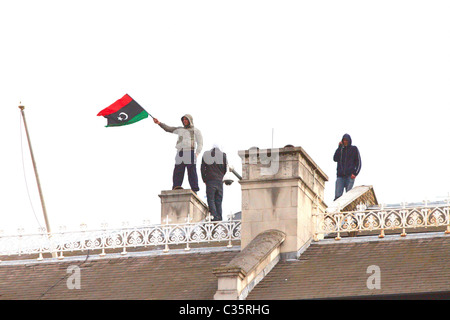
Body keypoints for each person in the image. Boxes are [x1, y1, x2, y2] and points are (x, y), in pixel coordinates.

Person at [153, 114, 203, 193]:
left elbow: (200, 143)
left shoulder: (196, 131)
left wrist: (197, 153)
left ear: (190, 120)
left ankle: (194, 189)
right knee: (178, 170)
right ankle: (176, 186)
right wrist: (159, 123)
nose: (184, 121)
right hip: (180, 152)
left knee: (191, 171)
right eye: (183, 120)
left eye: (186, 119)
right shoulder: (180, 129)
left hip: (190, 151)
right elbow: (168, 129)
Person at [201, 145, 227, 221]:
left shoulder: (206, 154)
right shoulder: (223, 155)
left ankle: (214, 217)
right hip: (219, 181)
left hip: (210, 180)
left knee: (211, 199)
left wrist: (204, 179)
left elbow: (202, 168)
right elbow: (225, 168)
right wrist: (221, 176)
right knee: (218, 200)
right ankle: (219, 217)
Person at [333, 133, 362, 200]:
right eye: (344, 140)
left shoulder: (354, 149)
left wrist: (355, 173)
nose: (345, 142)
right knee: (337, 196)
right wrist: (339, 147)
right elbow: (335, 158)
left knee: (348, 196)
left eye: (346, 140)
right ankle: (337, 209)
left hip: (350, 176)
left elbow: (359, 162)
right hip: (340, 176)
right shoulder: (341, 150)